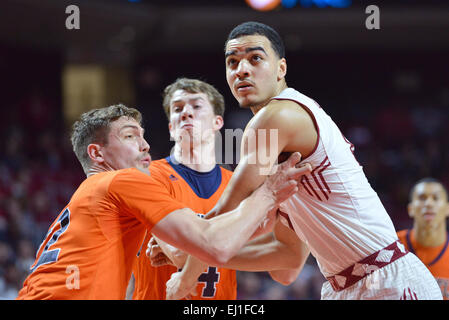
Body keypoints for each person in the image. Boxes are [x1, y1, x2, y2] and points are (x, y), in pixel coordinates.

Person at [164, 21, 442, 300]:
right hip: (344, 286)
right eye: (233, 62)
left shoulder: (277, 118)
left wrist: (186, 269)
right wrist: (193, 251)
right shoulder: (277, 160)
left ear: (281, 69)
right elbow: (286, 261)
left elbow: (226, 211)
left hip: (386, 279)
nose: (242, 70)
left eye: (255, 58)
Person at [15, 104, 309, 299]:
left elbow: (203, 244)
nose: (145, 145)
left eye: (142, 136)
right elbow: (212, 244)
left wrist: (254, 220)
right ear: (97, 154)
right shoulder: (123, 181)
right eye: (130, 136)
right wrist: (268, 193)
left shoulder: (92, 197)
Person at [131, 78, 237, 300]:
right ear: (171, 128)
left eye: (196, 106)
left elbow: (279, 260)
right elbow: (178, 254)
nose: (186, 113)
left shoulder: (235, 184)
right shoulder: (147, 176)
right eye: (177, 108)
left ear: (217, 122)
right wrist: (229, 240)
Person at [397, 178, 449, 299]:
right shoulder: (391, 246)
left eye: (435, 198)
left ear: (447, 209)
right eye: (422, 198)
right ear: (410, 209)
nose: (429, 203)